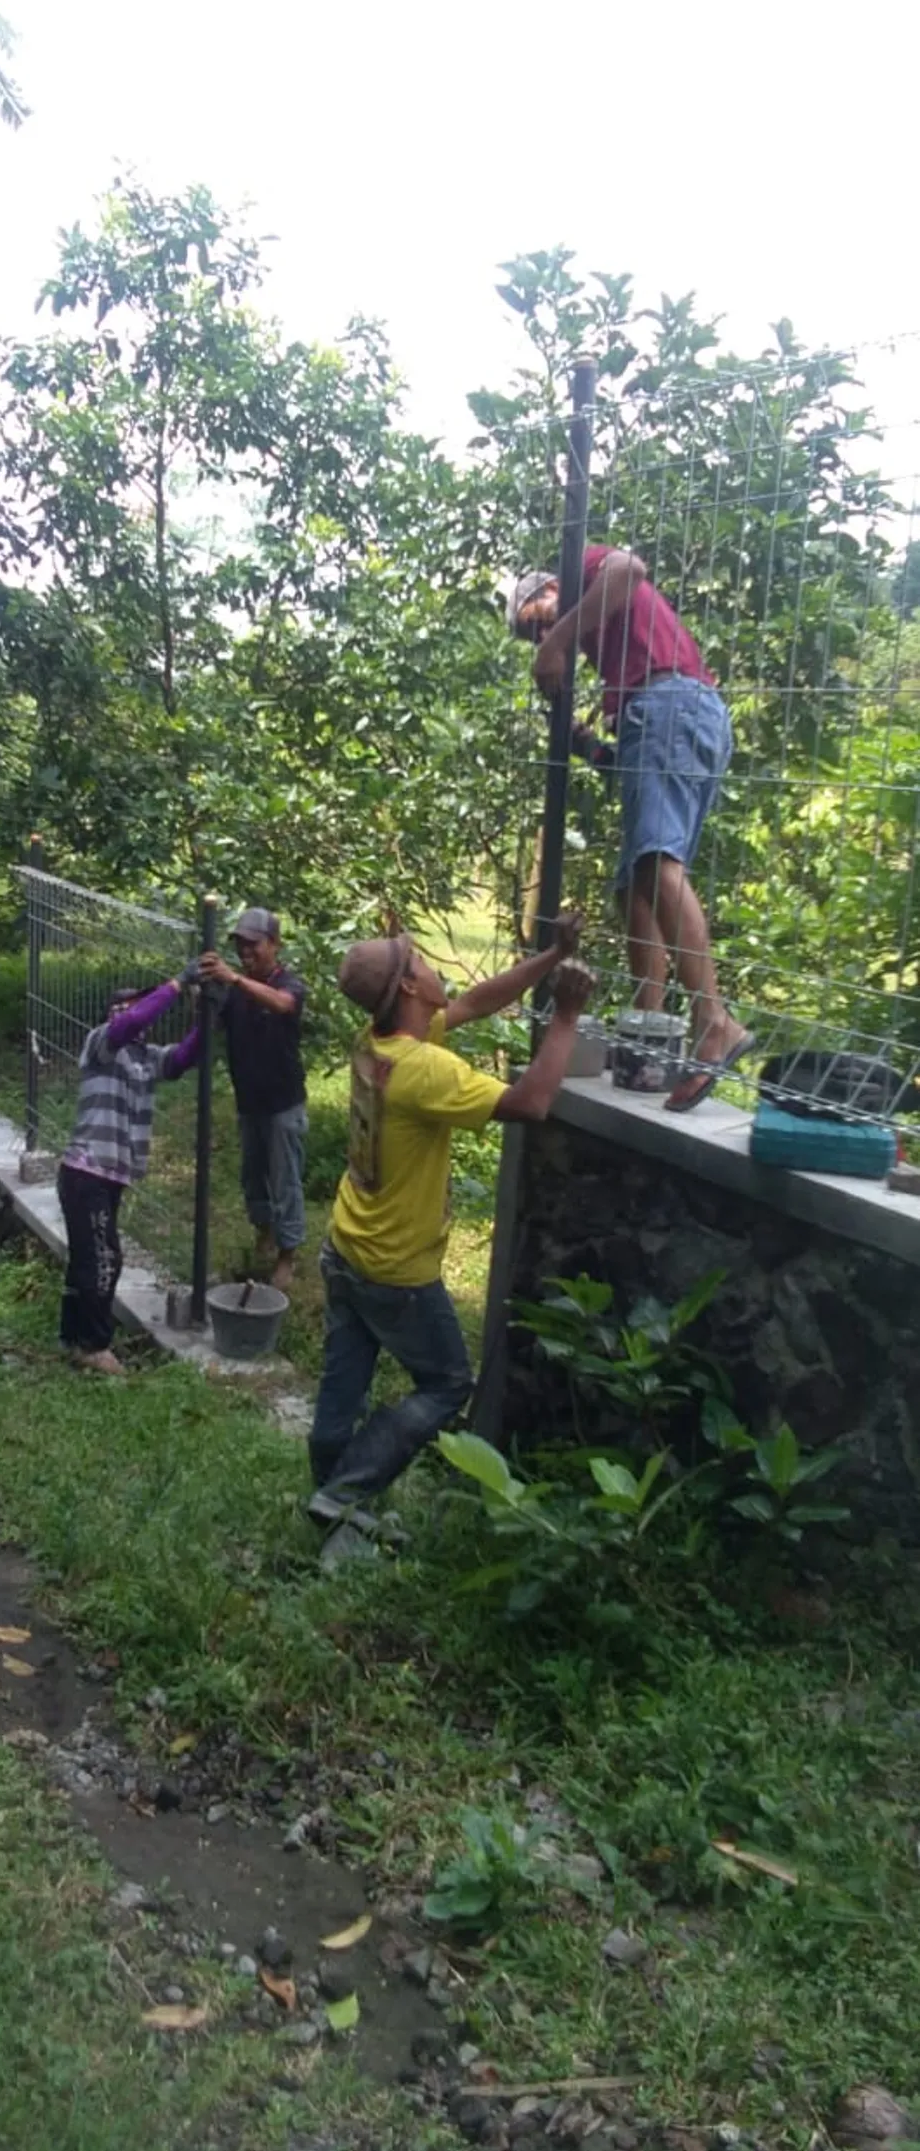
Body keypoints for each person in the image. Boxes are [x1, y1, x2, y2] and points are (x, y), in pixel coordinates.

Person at [308, 919, 594, 1557]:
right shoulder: (427, 1071)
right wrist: (567, 1016)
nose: (438, 968)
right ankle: (346, 1492)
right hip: (396, 1270)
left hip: (347, 1245)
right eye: (422, 959)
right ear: (410, 984)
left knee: (342, 1382)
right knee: (445, 1385)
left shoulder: (378, 1041)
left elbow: (475, 1001)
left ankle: (331, 1503)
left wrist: (551, 958)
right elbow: (529, 1103)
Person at [510, 551, 753, 1112]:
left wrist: (556, 640)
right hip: (667, 715)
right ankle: (654, 1031)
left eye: (535, 618)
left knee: (656, 863)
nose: (541, 633)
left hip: (670, 705)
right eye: (532, 636)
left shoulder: (583, 570)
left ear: (549, 583)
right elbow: (628, 763)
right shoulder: (612, 650)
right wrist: (584, 742)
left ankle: (713, 1020)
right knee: (634, 886)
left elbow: (630, 568)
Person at [58, 967, 202, 1374]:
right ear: (115, 1013)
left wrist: (210, 1016)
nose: (141, 1013)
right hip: (87, 1170)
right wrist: (176, 984)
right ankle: (94, 1346)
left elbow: (183, 1058)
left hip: (109, 1175)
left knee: (87, 1258)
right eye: (132, 1005)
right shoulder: (102, 1044)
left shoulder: (144, 1058)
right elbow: (132, 1023)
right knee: (105, 1259)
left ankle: (73, 1336)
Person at [199, 907, 306, 1293]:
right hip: (249, 1102)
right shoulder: (235, 991)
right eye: (241, 945)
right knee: (252, 1176)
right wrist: (204, 991)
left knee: (285, 1179)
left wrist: (234, 979)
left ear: (274, 945)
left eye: (254, 944)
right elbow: (213, 1024)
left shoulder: (289, 984)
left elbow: (283, 1005)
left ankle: (287, 1255)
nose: (246, 952)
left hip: (283, 1103)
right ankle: (264, 1234)